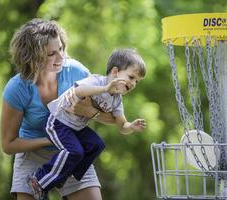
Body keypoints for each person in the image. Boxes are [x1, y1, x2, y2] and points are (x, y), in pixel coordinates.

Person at [1, 18, 115, 200]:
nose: (61, 57)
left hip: (73, 152)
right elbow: (8, 144)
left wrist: (90, 111)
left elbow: (113, 119)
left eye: (61, 49)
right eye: (51, 53)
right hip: (32, 154)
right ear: (32, 56)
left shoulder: (77, 73)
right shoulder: (17, 88)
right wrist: (50, 140)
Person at [27, 48, 147, 200]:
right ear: (115, 72)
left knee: (96, 144)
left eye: (137, 81)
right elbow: (79, 91)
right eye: (131, 77)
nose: (133, 83)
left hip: (76, 128)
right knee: (75, 151)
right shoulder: (97, 81)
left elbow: (121, 125)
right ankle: (38, 180)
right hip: (58, 121)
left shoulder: (117, 100)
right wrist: (105, 89)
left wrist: (131, 127)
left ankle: (64, 178)